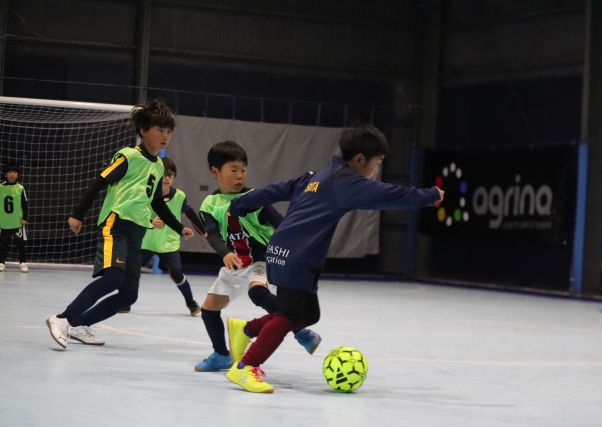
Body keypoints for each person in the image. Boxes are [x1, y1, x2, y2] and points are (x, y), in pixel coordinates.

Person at [224, 124, 444, 393]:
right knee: (288, 316)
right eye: (378, 162)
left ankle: (245, 330)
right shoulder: (346, 183)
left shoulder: (318, 175)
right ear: (361, 159)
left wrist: (240, 204)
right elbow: (391, 194)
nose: (376, 170)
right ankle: (246, 367)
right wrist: (430, 195)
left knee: (308, 314)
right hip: (297, 255)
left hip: (286, 250)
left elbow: (275, 190)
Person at [45, 100, 194, 349]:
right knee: (113, 277)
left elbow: (157, 203)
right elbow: (99, 181)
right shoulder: (129, 156)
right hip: (116, 224)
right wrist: (78, 214)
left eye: (169, 131)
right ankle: (62, 319)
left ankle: (80, 325)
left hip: (137, 232)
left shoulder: (159, 166)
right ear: (144, 130)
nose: (165, 136)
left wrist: (179, 228)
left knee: (128, 295)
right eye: (159, 129)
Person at [193, 141, 321, 373]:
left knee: (256, 291)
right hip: (234, 263)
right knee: (209, 309)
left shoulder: (255, 199)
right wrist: (226, 253)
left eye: (243, 170)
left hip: (260, 259)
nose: (240, 175)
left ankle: (299, 330)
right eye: (233, 170)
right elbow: (212, 235)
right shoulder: (210, 205)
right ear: (215, 172)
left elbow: (281, 224)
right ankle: (221, 355)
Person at [120, 157, 206, 316]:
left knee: (177, 272)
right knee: (131, 272)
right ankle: (125, 303)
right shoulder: (147, 194)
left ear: (174, 178)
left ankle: (191, 303)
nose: (167, 178)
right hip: (144, 241)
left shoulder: (179, 196)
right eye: (164, 174)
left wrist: (204, 231)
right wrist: (151, 220)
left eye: (170, 175)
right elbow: (134, 213)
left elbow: (191, 214)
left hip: (168, 243)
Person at [0, 164, 29, 273]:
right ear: (5, 174)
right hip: (4, 222)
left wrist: (25, 218)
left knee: (20, 244)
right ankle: (1, 263)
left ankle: (23, 263)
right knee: (3, 243)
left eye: (15, 172)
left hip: (17, 222)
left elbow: (25, 204)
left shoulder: (21, 188)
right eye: (10, 172)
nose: (12, 174)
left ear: (17, 175)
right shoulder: (0, 187)